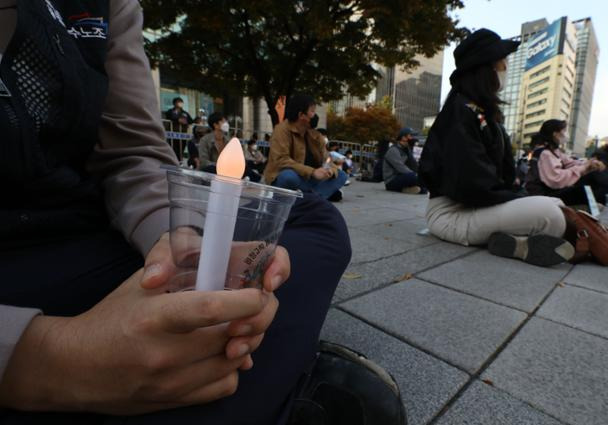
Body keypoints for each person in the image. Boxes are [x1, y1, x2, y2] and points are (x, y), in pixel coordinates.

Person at [0, 2, 405, 424]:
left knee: (313, 220)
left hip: (89, 226)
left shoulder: (105, 7)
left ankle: (235, 375)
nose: (311, 114)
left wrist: (178, 239)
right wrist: (44, 359)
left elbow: (132, 152)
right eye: (309, 110)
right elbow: (283, 165)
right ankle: (276, 383)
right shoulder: (282, 130)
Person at [419, 29, 575, 267]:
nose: (506, 67)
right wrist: (518, 199)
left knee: (555, 206)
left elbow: (497, 179)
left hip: (473, 208)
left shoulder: (480, 113)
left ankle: (513, 242)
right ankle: (518, 240)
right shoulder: (462, 112)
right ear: (486, 68)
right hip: (451, 215)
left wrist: (518, 198)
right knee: (550, 214)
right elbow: (474, 185)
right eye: (502, 62)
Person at [265, 95, 348, 200]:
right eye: (312, 111)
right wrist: (312, 172)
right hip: (291, 177)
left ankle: (311, 200)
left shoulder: (315, 134)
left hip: (308, 179)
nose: (315, 115)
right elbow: (282, 160)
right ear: (301, 115)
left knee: (341, 176)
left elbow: (326, 159)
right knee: (289, 177)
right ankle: (313, 198)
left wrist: (329, 170)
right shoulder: (281, 130)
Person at [524, 119, 607, 206]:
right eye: (564, 130)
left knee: (590, 182)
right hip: (541, 195)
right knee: (581, 190)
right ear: (555, 133)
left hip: (549, 191)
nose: (566, 134)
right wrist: (584, 167)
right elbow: (556, 179)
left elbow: (570, 162)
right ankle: (589, 208)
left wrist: (591, 163)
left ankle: (590, 206)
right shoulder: (545, 153)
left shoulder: (554, 151)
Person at [384, 128, 425, 194]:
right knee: (413, 177)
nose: (413, 138)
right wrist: (416, 176)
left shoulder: (406, 149)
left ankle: (405, 189)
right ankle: (405, 188)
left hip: (402, 178)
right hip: (391, 181)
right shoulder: (393, 150)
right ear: (403, 137)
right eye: (411, 136)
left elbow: (414, 165)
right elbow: (401, 168)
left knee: (424, 190)